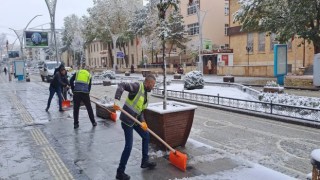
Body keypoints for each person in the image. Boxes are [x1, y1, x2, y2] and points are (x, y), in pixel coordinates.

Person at [113, 74, 157, 180]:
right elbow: (121, 85)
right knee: (129, 146)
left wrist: (143, 122)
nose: (153, 87)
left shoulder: (146, 95)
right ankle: (120, 172)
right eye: (153, 84)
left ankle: (145, 161)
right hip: (127, 120)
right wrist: (117, 100)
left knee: (146, 135)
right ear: (148, 83)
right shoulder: (137, 87)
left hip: (135, 120)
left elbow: (140, 111)